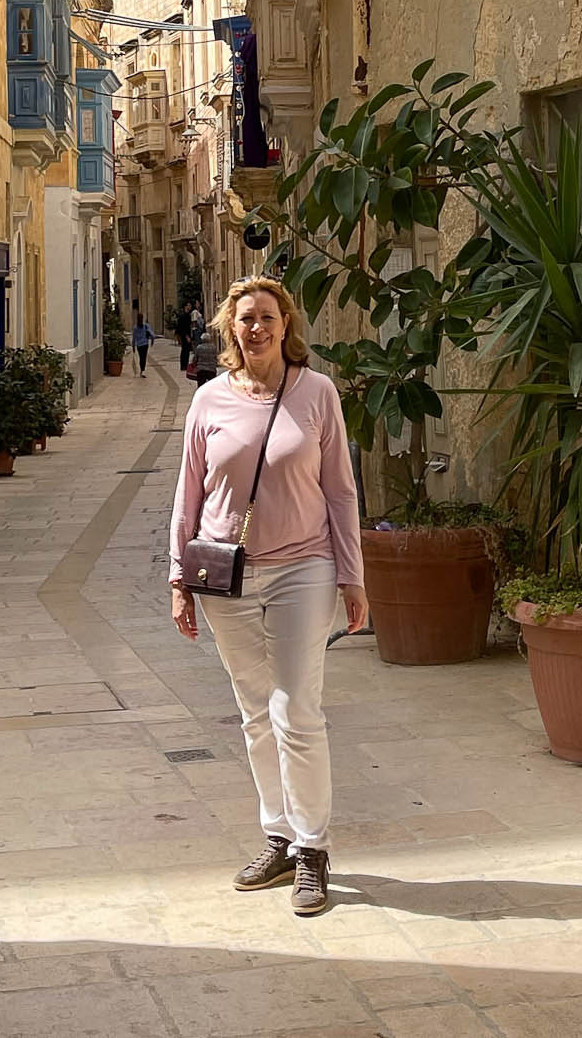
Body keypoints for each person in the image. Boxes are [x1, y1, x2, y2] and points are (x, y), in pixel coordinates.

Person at [169, 276, 367, 916]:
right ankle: (278, 836)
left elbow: (340, 490)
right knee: (255, 711)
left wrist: (352, 574)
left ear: (287, 325)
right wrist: (179, 578)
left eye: (267, 318)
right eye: (245, 319)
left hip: (302, 569)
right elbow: (188, 495)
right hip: (226, 573)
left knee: (296, 708)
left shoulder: (317, 393)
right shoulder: (208, 401)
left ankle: (313, 849)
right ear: (231, 327)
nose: (256, 328)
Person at [191, 321, 218, 386]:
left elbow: (195, 358)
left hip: (201, 369)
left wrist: (193, 365)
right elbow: (216, 358)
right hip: (211, 369)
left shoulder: (199, 347)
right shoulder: (213, 347)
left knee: (200, 386)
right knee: (212, 386)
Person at [176, 302, 194, 372]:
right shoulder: (183, 316)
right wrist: (187, 337)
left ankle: (185, 365)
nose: (190, 307)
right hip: (184, 336)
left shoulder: (188, 315)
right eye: (189, 305)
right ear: (186, 306)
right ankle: (183, 366)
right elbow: (182, 328)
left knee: (186, 351)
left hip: (187, 335)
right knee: (184, 350)